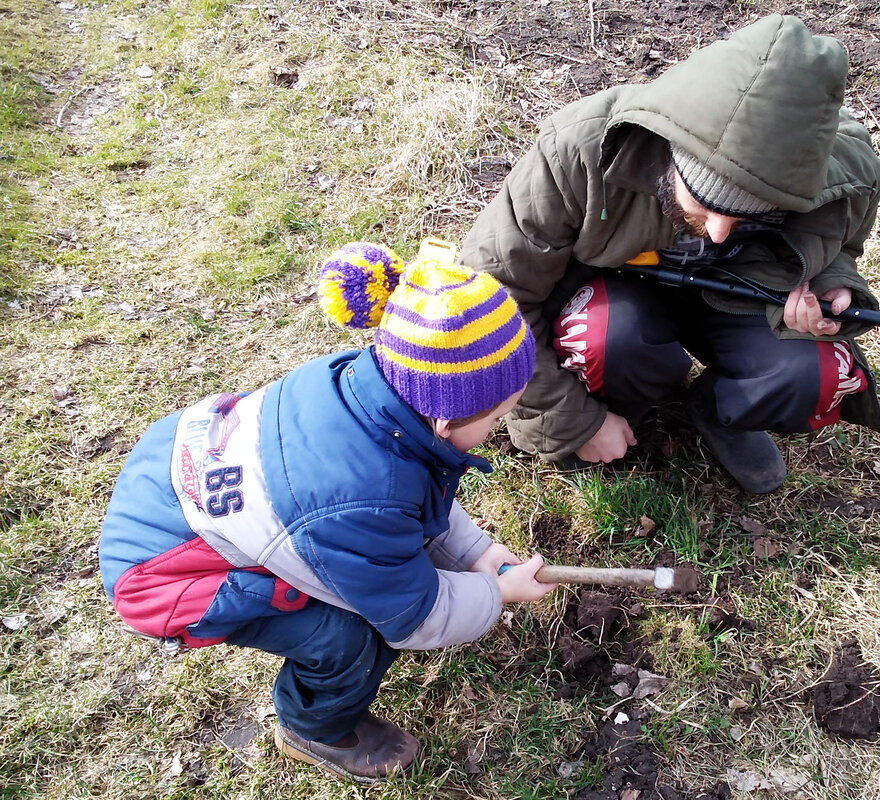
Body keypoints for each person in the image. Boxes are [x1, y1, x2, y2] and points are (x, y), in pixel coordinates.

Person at [98, 240, 559, 784]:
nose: (499, 429)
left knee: (364, 565)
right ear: (444, 421)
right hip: (167, 570)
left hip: (177, 477)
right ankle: (312, 727)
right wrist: (497, 593)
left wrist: (475, 552)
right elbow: (414, 617)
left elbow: (408, 500)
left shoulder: (375, 389)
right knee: (351, 634)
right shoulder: (356, 497)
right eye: (497, 418)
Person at [460, 14, 880, 494]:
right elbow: (491, 297)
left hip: (735, 297)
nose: (721, 233)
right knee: (605, 340)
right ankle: (615, 409)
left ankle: (719, 411)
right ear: (672, 154)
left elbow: (838, 246)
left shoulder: (845, 174)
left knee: (819, 373)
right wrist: (573, 421)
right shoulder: (581, 151)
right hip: (616, 296)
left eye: (752, 214)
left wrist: (832, 285)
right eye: (706, 205)